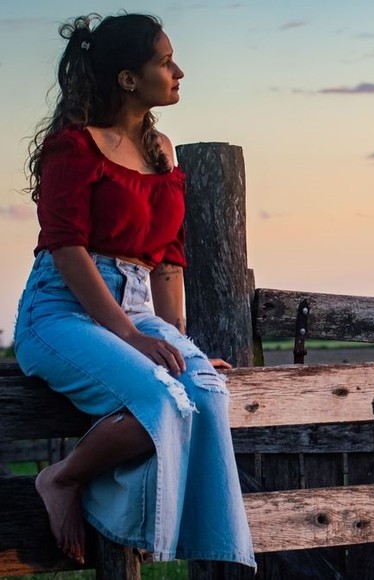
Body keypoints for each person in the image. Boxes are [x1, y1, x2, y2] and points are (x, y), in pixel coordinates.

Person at [13, 13, 256, 570]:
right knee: (164, 401)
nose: (179, 72)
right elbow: (67, 250)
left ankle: (195, 549)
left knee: (207, 393)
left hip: (141, 307)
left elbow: (168, 261)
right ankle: (62, 478)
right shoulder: (72, 147)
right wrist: (131, 338)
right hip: (62, 313)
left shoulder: (161, 150)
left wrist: (177, 344)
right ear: (128, 78)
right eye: (166, 61)